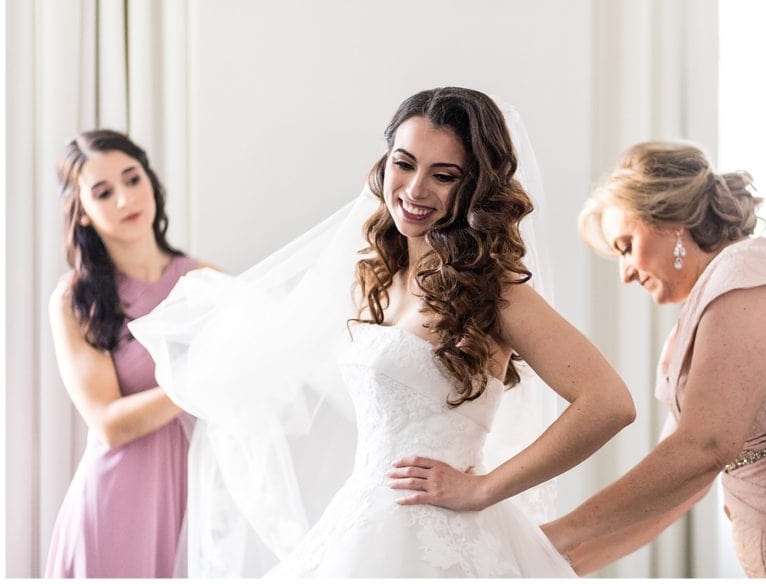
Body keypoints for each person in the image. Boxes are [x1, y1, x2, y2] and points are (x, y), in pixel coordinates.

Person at [131, 89, 634, 577]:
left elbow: (609, 402)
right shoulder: (377, 275)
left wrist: (483, 490)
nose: (415, 191)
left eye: (444, 175)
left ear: (475, 187)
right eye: (404, 162)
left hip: (441, 539)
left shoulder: (496, 293)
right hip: (364, 519)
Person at [542, 142, 766, 578]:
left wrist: (551, 536)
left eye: (626, 245)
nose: (624, 272)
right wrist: (549, 564)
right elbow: (678, 488)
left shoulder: (751, 269)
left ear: (672, 220)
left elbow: (703, 448)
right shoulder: (702, 317)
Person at [45, 131, 203, 577]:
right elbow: (108, 423)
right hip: (114, 503)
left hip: (191, 495)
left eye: (132, 179)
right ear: (83, 213)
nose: (124, 199)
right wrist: (202, 380)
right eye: (103, 192)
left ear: (152, 183)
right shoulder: (75, 299)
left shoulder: (203, 281)